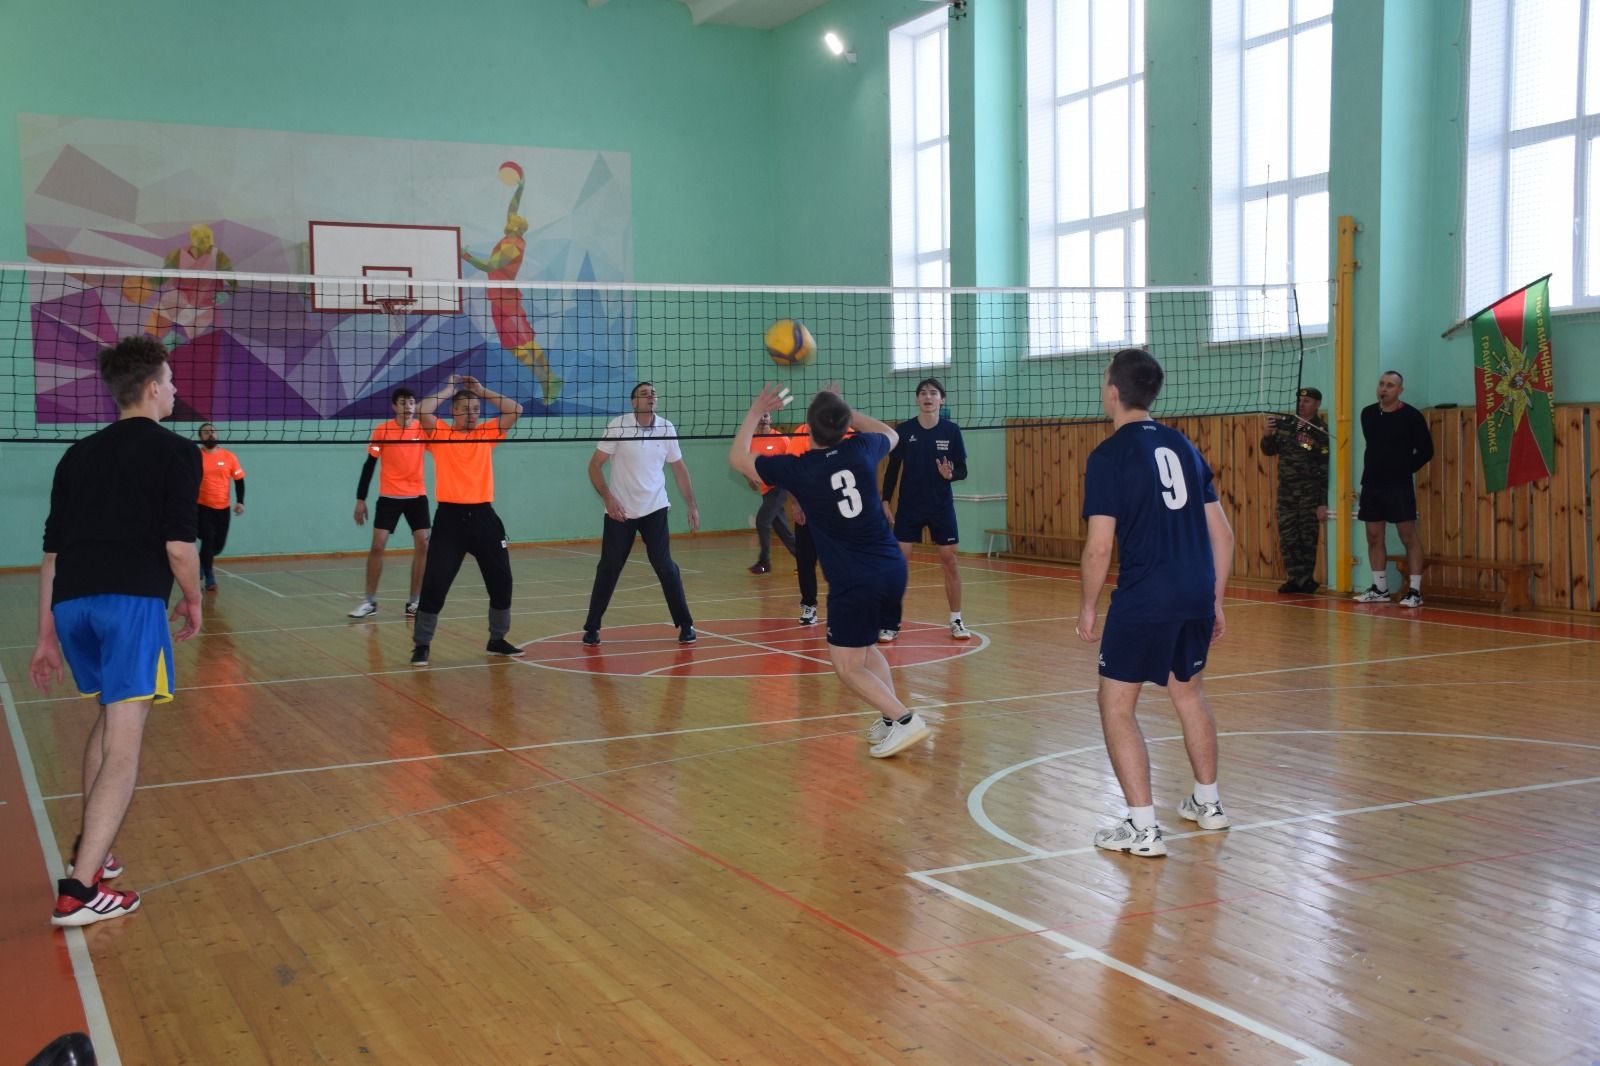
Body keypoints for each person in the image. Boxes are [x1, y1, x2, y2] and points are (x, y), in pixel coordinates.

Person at [29, 335, 203, 926]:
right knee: (126, 740)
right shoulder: (178, 454)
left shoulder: (76, 455)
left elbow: (51, 557)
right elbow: (179, 548)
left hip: (74, 606)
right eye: (172, 381)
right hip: (130, 605)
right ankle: (78, 890)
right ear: (152, 388)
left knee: (108, 717)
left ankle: (92, 857)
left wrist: (45, 636)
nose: (177, 390)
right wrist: (195, 600)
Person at [1075, 348, 1236, 858]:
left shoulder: (1108, 456)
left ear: (1114, 391)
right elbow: (1225, 537)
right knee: (1187, 693)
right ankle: (1208, 804)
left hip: (1146, 594)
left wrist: (1088, 606)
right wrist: (1215, 600)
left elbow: (1100, 546)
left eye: (1105, 381)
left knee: (1116, 705)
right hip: (1194, 591)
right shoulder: (1184, 447)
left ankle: (1142, 827)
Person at [733, 384, 932, 759]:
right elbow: (889, 434)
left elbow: (737, 458)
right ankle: (890, 722)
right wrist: (847, 409)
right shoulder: (862, 449)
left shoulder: (801, 468)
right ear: (846, 427)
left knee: (845, 664)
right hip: (891, 567)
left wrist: (755, 409)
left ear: (808, 429)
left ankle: (904, 720)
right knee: (866, 646)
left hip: (855, 580)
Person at [408, 374, 523, 667]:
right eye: (465, 410)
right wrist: (449, 389)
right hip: (449, 519)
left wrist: (481, 391)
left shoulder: (487, 433)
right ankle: (422, 645)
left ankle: (497, 639)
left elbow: (515, 410)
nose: (472, 415)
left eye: (476, 410)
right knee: (435, 583)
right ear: (453, 412)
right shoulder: (441, 434)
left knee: (501, 580)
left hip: (484, 516)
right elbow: (422, 411)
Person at [581, 382, 699, 646]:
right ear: (633, 402)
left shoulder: (666, 427)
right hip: (620, 510)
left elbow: (679, 469)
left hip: (655, 507)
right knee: (609, 567)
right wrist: (608, 498)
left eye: (653, 394)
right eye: (644, 394)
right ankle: (592, 627)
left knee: (664, 564)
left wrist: (691, 504)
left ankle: (685, 624)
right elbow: (595, 466)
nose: (650, 397)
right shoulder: (618, 425)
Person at [880, 377, 971, 641]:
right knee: (899, 563)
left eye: (933, 393)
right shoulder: (904, 430)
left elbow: (963, 470)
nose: (927, 397)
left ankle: (956, 620)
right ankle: (890, 622)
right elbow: (893, 469)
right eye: (922, 393)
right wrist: (886, 500)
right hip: (909, 507)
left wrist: (950, 474)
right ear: (917, 399)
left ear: (942, 399)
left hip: (941, 506)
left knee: (949, 561)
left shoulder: (951, 431)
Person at [461, 171, 562, 403]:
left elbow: (489, 266)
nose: (510, 218)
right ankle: (548, 379)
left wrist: (465, 255)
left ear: (517, 228)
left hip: (506, 299)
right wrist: (520, 187)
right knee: (516, 344)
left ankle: (548, 379)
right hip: (499, 299)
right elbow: (512, 208)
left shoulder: (513, 246)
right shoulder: (510, 237)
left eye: (513, 220)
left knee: (523, 343)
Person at [1353, 370, 1434, 608]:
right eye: (1381, 384)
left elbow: (1427, 450)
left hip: (1398, 486)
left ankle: (1415, 592)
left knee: (1407, 536)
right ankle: (1379, 588)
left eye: (1390, 385)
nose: (1384, 389)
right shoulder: (1368, 414)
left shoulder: (1411, 416)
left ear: (1400, 390)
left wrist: (1404, 468)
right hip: (1372, 484)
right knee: (1373, 536)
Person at [349, 387, 431, 618]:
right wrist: (360, 499)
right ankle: (370, 602)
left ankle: (414, 602)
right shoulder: (382, 431)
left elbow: (443, 454)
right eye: (403, 402)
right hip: (389, 497)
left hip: (417, 496)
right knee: (378, 546)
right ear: (395, 406)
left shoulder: (423, 430)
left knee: (424, 545)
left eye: (412, 402)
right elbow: (370, 464)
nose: (408, 406)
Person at [1261, 386, 1331, 593]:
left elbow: (1323, 463)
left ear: (1317, 404)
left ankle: (1306, 579)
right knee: (1288, 536)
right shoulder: (1286, 425)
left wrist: (1322, 501)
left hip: (1309, 492)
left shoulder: (1320, 430)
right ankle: (1294, 578)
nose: (1301, 404)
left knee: (1307, 537)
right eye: (1300, 401)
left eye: (1307, 401)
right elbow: (1269, 451)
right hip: (1287, 492)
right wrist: (1268, 434)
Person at [145, 222, 235, 346]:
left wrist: (227, 293)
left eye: (208, 237)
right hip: (176, 300)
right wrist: (146, 284)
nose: (205, 241)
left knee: (173, 342)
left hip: (203, 307)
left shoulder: (219, 257)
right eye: (201, 237)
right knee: (151, 334)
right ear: (193, 238)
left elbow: (234, 284)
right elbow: (163, 277)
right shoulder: (177, 254)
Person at [745, 410, 796, 574]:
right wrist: (749, 478)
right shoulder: (751, 440)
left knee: (762, 521)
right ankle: (805, 558)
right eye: (761, 415)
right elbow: (743, 462)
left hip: (780, 487)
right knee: (783, 531)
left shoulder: (781, 439)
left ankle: (764, 562)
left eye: (766, 415)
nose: (763, 418)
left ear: (770, 418)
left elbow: (793, 462)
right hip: (766, 490)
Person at [195, 422, 244, 590]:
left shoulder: (229, 457)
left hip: (223, 508)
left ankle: (202, 562)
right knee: (208, 539)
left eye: (213, 431)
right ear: (200, 438)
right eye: (206, 432)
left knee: (218, 545)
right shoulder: (196, 456)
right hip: (202, 506)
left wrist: (240, 501)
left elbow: (239, 480)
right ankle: (209, 576)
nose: (211, 434)